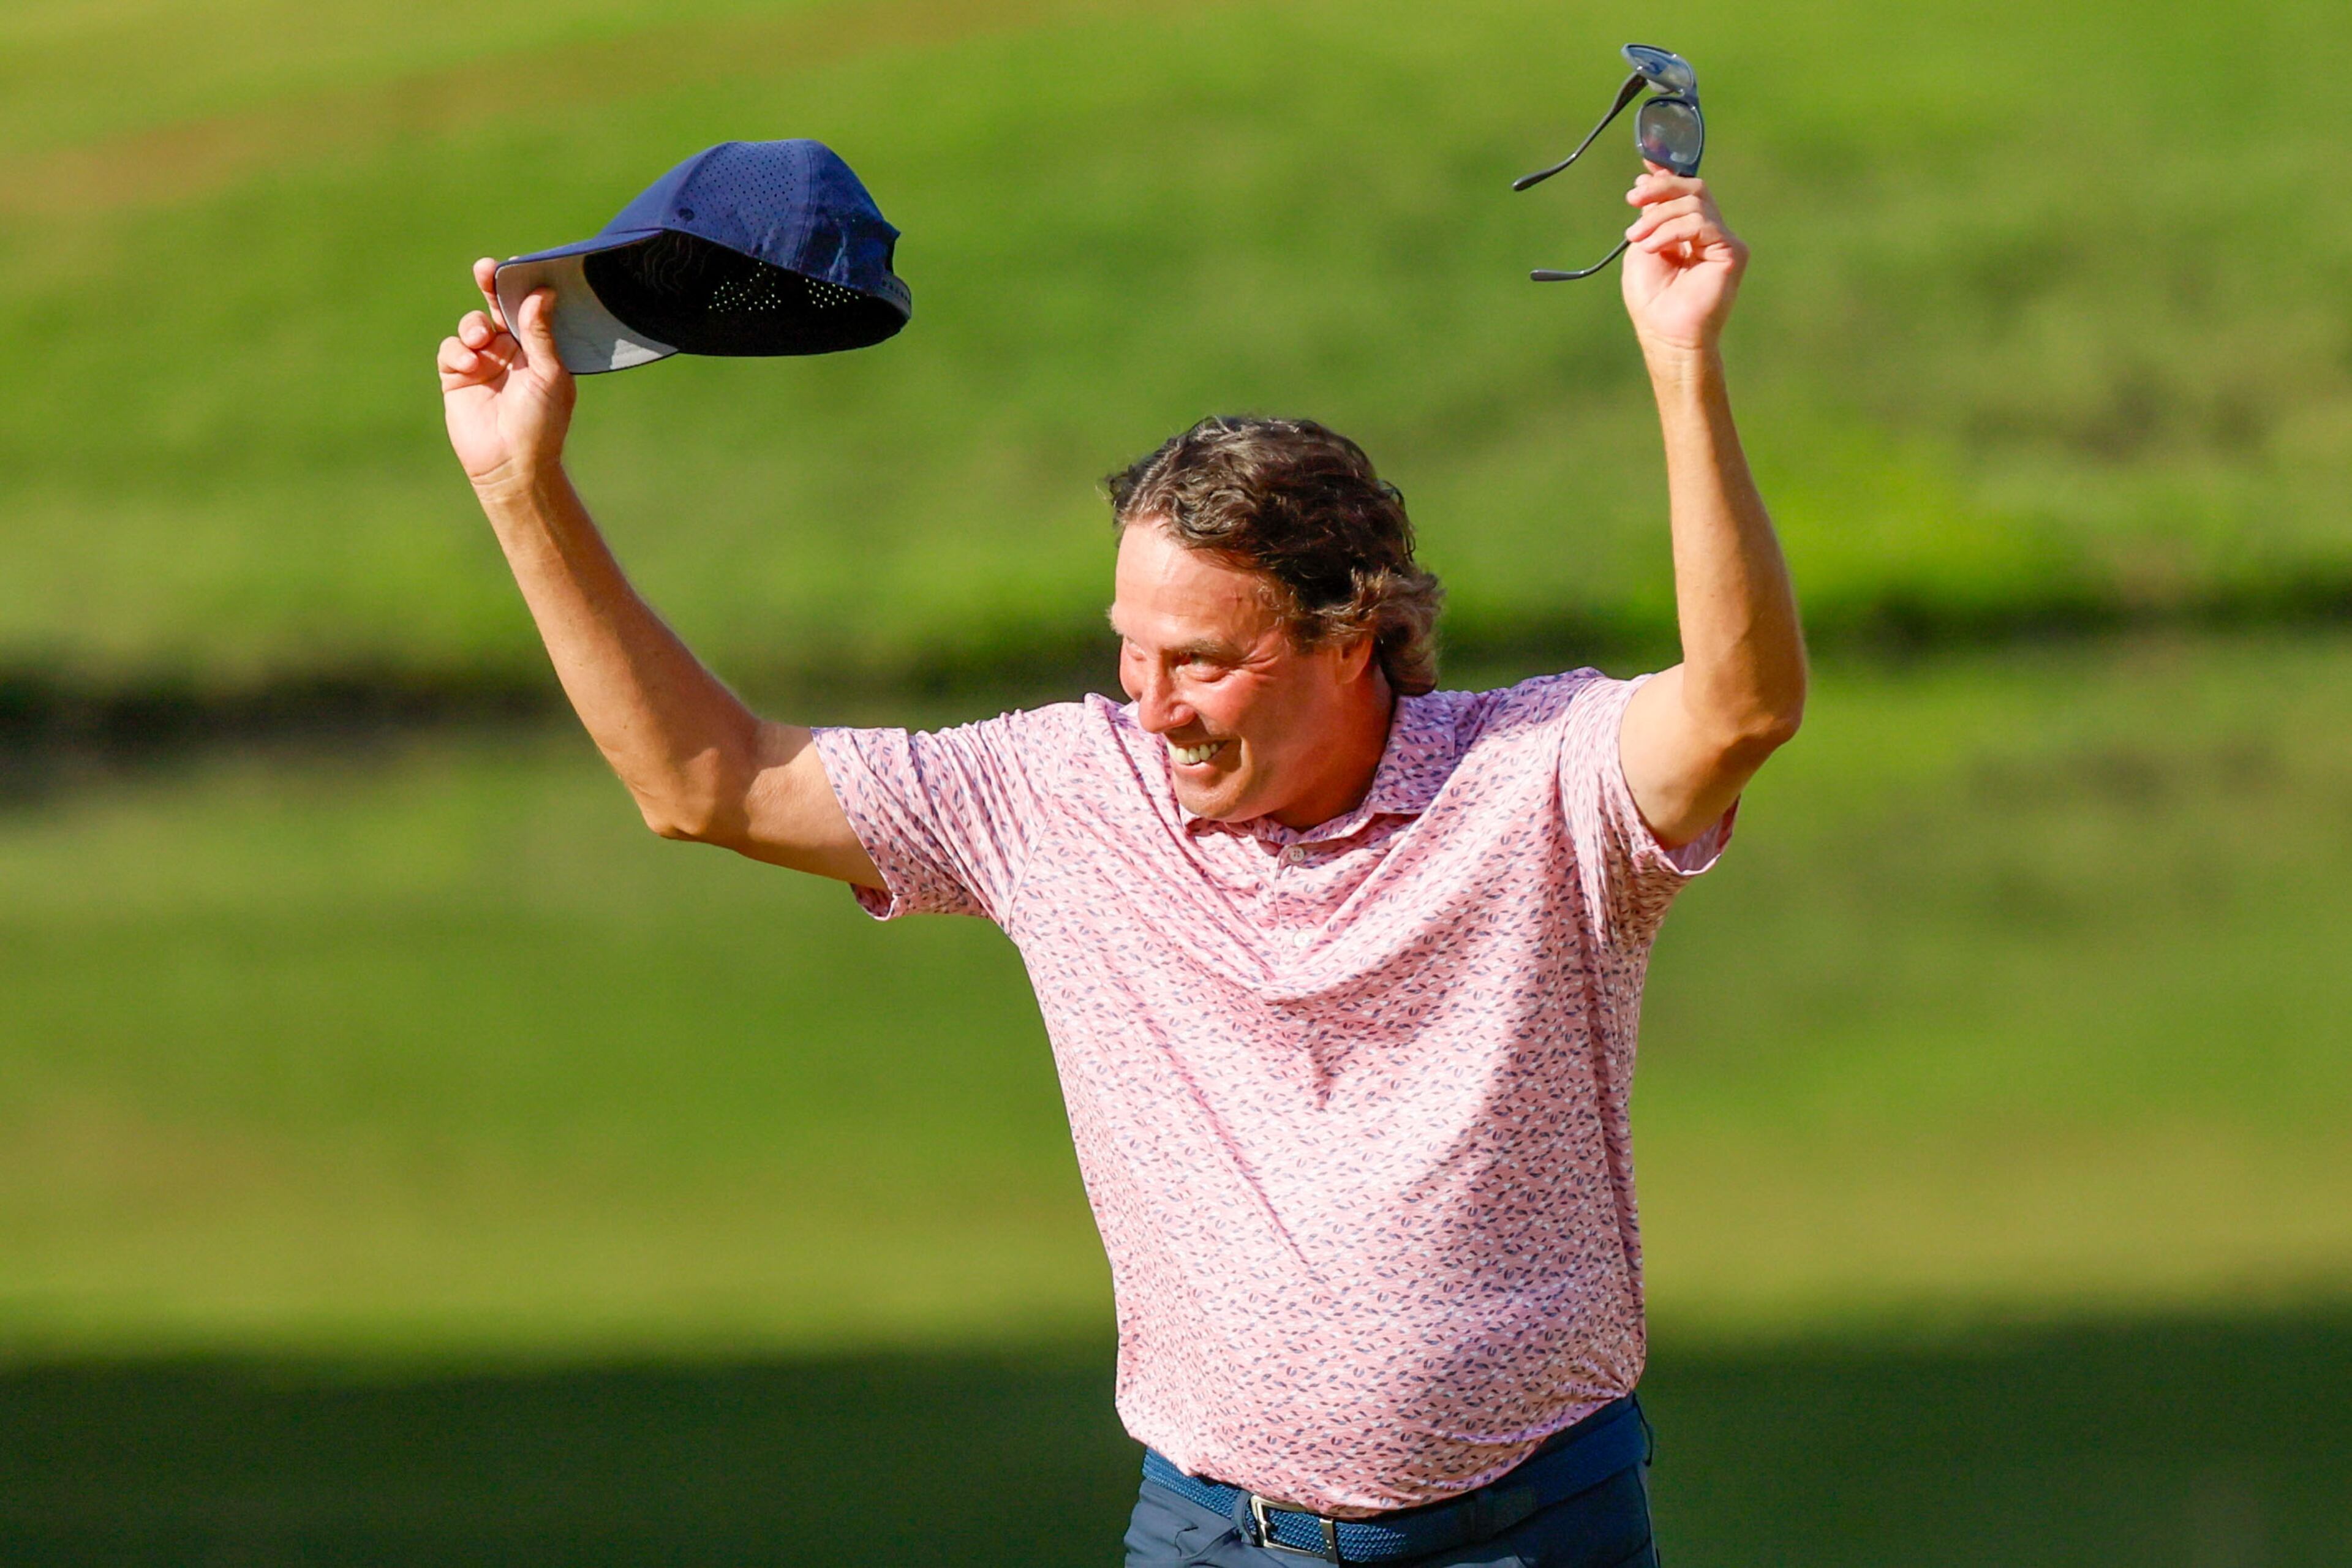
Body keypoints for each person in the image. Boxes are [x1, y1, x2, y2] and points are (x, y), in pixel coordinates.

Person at [437, 164, 1804, 1567]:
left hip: (1531, 1528)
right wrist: (518, 485)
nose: (1152, 708)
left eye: (1201, 662)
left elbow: (1743, 707)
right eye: (1130, 652)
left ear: (1350, 635)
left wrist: (1681, 362)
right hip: (1216, 1536)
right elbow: (706, 781)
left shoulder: (1533, 784)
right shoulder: (1064, 794)